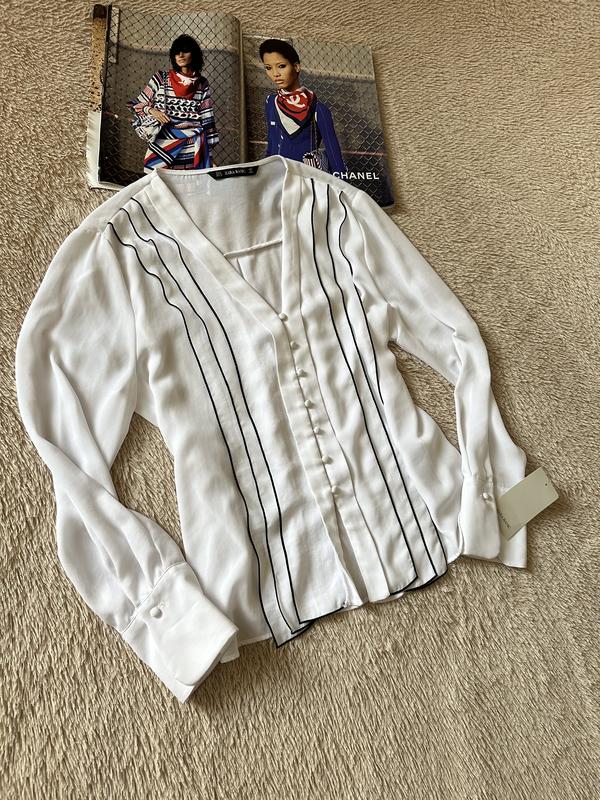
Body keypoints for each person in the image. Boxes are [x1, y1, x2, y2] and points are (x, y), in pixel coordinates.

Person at [127, 34, 219, 172]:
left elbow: (207, 118)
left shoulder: (202, 83)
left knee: (188, 183)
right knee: (156, 179)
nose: (180, 55)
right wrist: (152, 111)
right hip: (164, 142)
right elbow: (135, 104)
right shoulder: (161, 77)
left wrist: (208, 155)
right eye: (176, 52)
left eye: (185, 51)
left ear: (194, 54)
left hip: (192, 146)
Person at [259, 39, 347, 176]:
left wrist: (341, 185)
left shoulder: (318, 109)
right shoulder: (271, 102)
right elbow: (271, 144)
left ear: (296, 67)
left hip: (305, 178)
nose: (275, 74)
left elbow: (334, 156)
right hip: (276, 176)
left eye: (281, 66)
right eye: (268, 68)